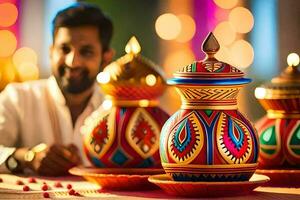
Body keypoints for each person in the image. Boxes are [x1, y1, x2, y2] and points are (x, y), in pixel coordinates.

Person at [0, 2, 114, 176]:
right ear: (51, 51)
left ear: (106, 58)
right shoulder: (18, 98)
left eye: (86, 52)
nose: (72, 62)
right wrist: (27, 157)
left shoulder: (116, 109)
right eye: (64, 49)